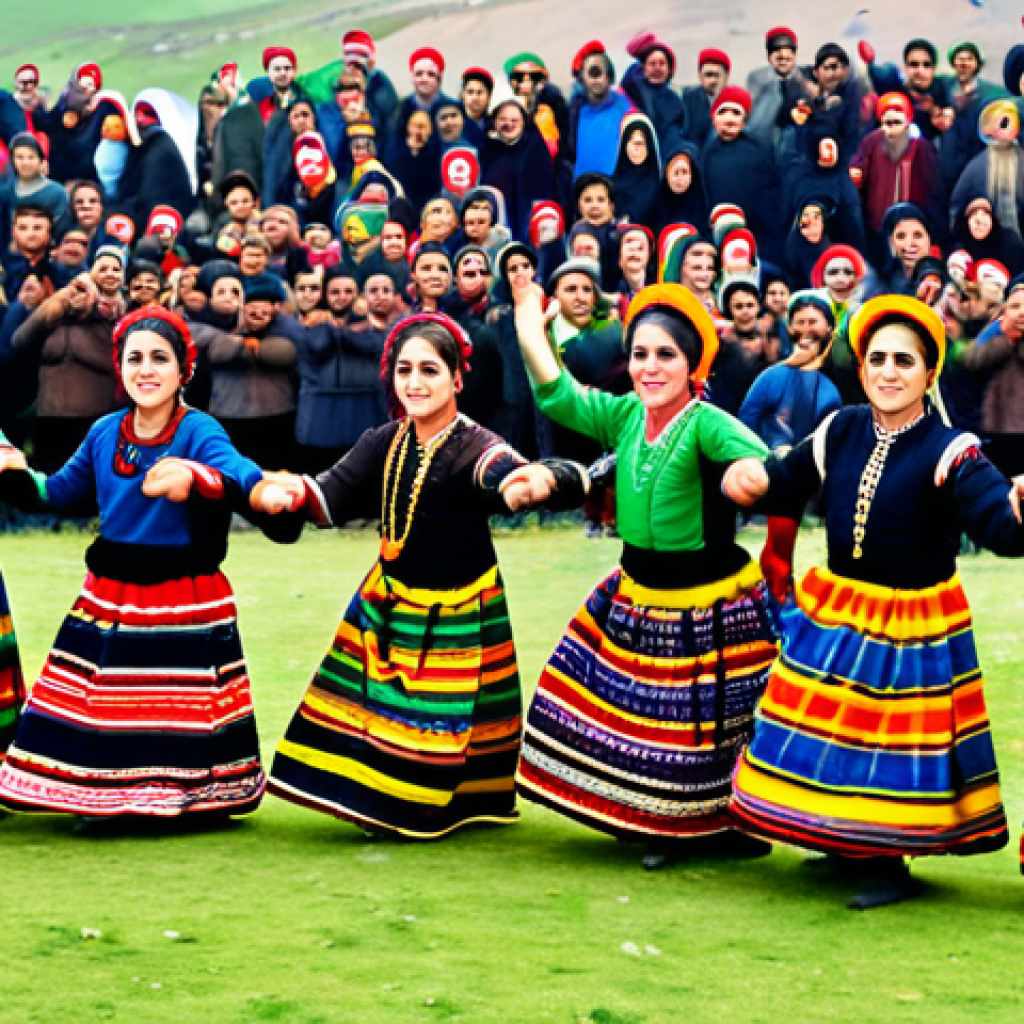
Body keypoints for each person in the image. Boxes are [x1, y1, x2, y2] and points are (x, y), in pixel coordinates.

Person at [724, 295, 1024, 909]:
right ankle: (839, 843)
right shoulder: (842, 427)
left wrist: (1018, 509)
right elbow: (787, 480)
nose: (889, 371)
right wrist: (751, 478)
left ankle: (888, 862)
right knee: (826, 729)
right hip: (839, 608)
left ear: (928, 374)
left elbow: (997, 520)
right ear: (861, 368)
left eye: (905, 362)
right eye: (878, 359)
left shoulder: (952, 447)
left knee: (889, 741)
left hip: (912, 620)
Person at [266, 311, 588, 837]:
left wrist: (539, 480)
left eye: (430, 371)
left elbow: (504, 473)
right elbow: (329, 496)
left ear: (457, 378)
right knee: (364, 715)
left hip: (456, 609)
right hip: (387, 600)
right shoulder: (383, 440)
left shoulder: (477, 446)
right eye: (404, 370)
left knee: (438, 738)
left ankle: (434, 799)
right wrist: (277, 492)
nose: (415, 382)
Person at [513, 278, 778, 864]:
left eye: (666, 355)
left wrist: (747, 478)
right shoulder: (627, 414)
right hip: (637, 590)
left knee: (699, 727)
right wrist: (530, 325)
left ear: (693, 364)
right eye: (639, 354)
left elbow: (760, 460)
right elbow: (559, 396)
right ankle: (645, 813)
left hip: (707, 599)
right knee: (618, 708)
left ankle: (696, 827)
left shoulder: (707, 421)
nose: (650, 367)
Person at [0, 306, 293, 822]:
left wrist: (253, 490)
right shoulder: (104, 431)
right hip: (111, 594)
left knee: (173, 704)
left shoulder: (199, 430)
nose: (146, 369)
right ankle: (102, 791)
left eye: (160, 358)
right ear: (119, 368)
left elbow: (238, 475)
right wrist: (16, 475)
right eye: (134, 358)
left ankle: (181, 794)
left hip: (183, 596)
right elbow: (61, 493)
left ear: (186, 370)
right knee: (103, 700)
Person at [739, 291, 842, 451]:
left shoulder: (835, 382)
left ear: (829, 328)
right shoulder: (771, 376)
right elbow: (746, 423)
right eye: (800, 322)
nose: (807, 329)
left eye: (813, 322)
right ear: (790, 328)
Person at [611, 114, 660, 230]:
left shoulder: (662, 187)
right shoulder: (610, 187)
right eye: (631, 140)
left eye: (642, 142)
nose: (636, 147)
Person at [681, 49, 730, 148]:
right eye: (709, 75)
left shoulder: (735, 101)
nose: (713, 81)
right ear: (700, 77)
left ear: (726, 76)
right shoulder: (690, 99)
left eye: (717, 75)